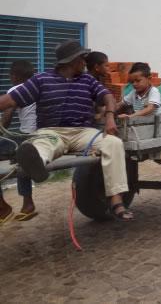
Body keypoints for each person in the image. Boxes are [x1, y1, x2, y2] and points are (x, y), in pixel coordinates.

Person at [0, 40, 134, 221]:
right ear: (72, 60)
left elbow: (107, 96)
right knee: (41, 145)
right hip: (52, 132)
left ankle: (116, 200)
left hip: (83, 132)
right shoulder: (41, 80)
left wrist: (110, 116)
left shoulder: (87, 80)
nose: (85, 62)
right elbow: (9, 101)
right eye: (82, 58)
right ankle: (35, 163)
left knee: (114, 143)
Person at [0, 60, 38, 224]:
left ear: (15, 77)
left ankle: (3, 207)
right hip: (43, 136)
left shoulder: (16, 90)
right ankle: (27, 204)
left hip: (26, 136)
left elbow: (6, 120)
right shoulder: (39, 87)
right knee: (20, 158)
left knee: (19, 150)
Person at [86, 51, 110, 123]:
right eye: (106, 65)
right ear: (97, 67)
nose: (108, 69)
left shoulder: (99, 79)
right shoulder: (86, 81)